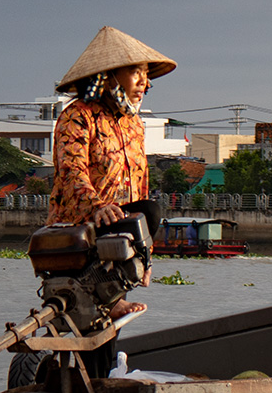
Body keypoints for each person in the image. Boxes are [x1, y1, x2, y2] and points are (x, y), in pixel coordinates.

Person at [47, 26, 176, 318]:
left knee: (149, 211)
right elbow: (71, 171)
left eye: (145, 74)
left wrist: (146, 253)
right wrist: (97, 207)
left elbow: (139, 188)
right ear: (108, 77)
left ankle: (115, 295)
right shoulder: (77, 116)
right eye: (135, 72)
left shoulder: (134, 125)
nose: (144, 83)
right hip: (81, 226)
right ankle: (112, 297)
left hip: (116, 237)